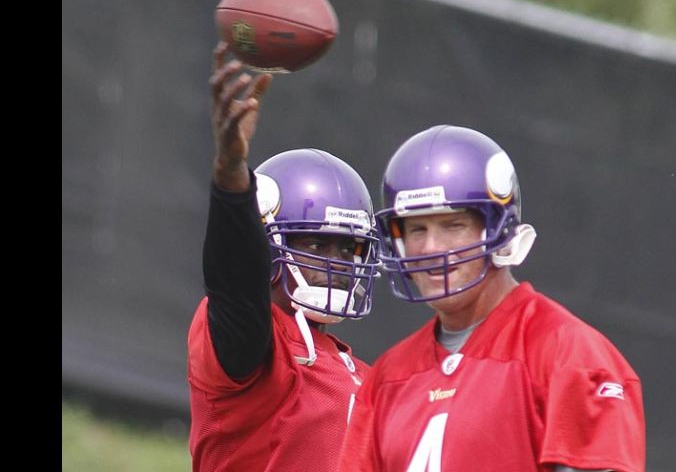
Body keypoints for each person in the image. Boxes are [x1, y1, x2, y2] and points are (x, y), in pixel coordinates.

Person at [339, 125, 645, 472]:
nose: (431, 248)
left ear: (498, 229)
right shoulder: (387, 378)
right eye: (417, 230)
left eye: (453, 225)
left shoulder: (567, 352)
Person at [187, 42, 381, 471]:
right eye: (316, 244)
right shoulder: (254, 349)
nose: (340, 263)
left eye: (349, 248)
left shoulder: (366, 377)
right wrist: (232, 177)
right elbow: (234, 283)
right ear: (269, 241)